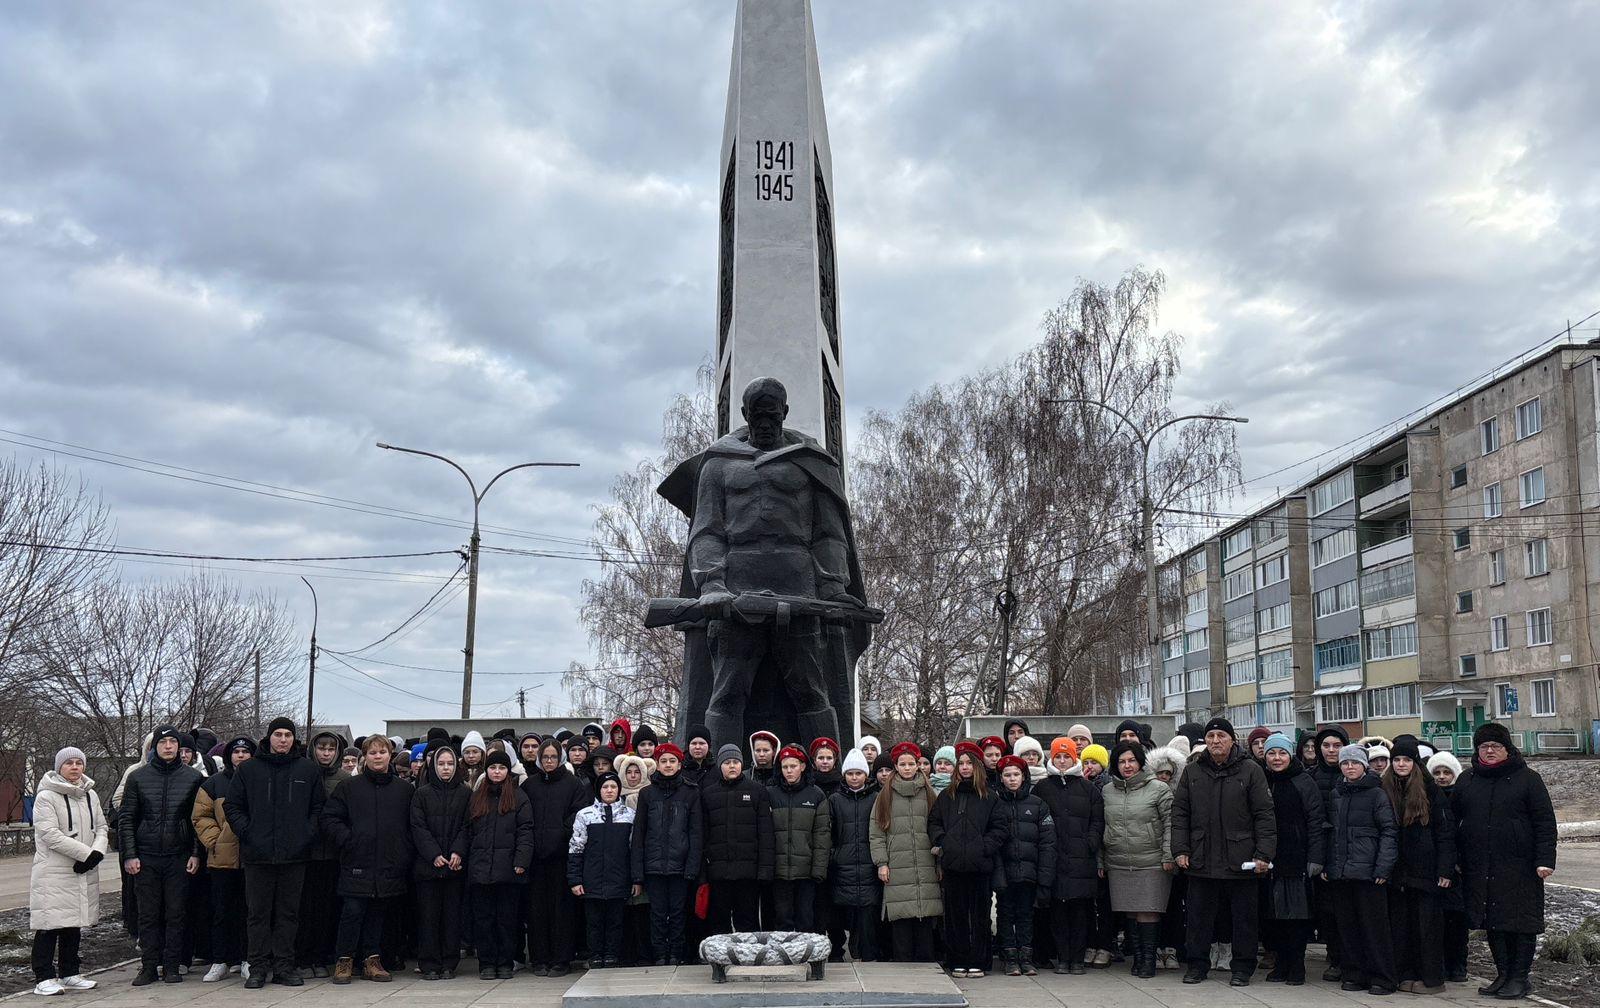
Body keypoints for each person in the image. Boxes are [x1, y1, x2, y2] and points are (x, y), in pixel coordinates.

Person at [1452, 723, 1557, 1000]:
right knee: (1493, 921)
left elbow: (1545, 822)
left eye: (1495, 746)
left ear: (1506, 749)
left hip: (1520, 865)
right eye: (1484, 746)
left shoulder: (1528, 779)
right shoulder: (1468, 780)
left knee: (1520, 922)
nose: (1489, 751)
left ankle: (1519, 978)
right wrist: (1457, 859)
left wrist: (1545, 859)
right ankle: (1503, 974)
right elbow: (1454, 822)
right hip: (1480, 865)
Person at [1172, 718, 1275, 987]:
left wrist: (1263, 854)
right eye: (1211, 736)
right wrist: (1180, 848)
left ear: (1232, 739)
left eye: (1221, 736)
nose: (1215, 741)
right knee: (1197, 918)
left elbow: (1264, 814)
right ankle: (1196, 965)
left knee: (1244, 920)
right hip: (1201, 857)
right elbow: (1180, 813)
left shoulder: (1250, 770)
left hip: (1240, 859)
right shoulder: (1192, 771)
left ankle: (1242, 968)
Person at [226, 717, 323, 989]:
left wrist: (306, 834)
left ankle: (284, 966)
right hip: (258, 855)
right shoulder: (250, 770)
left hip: (295, 855)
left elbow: (317, 809)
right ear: (269, 738)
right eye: (278, 734)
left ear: (294, 739)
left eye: (288, 735)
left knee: (288, 914)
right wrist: (249, 833)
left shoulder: (307, 770)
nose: (283, 739)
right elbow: (233, 807)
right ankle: (258, 967)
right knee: (257, 914)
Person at [321, 736, 414, 984]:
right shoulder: (349, 787)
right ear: (365, 756)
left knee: (377, 912)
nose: (377, 756)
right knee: (352, 911)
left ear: (390, 756)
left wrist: (401, 851)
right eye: (372, 753)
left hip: (388, 862)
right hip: (356, 860)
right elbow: (330, 819)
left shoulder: (404, 790)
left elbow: (411, 826)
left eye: (382, 752)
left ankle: (372, 960)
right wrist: (349, 839)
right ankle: (344, 960)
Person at [119, 725, 203, 986]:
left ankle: (172, 965)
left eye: (172, 742)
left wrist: (196, 853)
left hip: (178, 856)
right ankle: (148, 966)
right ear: (154, 746)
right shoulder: (138, 777)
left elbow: (197, 820)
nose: (168, 746)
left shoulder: (192, 778)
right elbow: (127, 819)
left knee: (176, 913)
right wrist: (130, 855)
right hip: (146, 856)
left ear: (180, 747)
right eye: (163, 742)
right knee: (148, 914)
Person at [31, 747, 108, 996]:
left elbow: (102, 827)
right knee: (49, 923)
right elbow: (50, 835)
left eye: (79, 763)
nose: (75, 767)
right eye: (69, 764)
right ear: (59, 767)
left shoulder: (90, 795)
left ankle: (70, 972)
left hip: (82, 868)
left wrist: (96, 853)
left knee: (73, 922)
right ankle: (43, 976)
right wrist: (86, 854)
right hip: (54, 869)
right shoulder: (46, 797)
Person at [1382, 736, 1457, 995]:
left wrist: (1445, 869)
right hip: (1398, 873)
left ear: (1415, 762)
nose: (1401, 764)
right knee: (1402, 927)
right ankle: (1407, 973)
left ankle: (1432, 979)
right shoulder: (1386, 787)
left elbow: (1445, 833)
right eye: (1397, 760)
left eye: (1406, 760)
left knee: (1427, 928)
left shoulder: (1429, 788)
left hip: (1426, 871)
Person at [1323, 744, 1398, 995]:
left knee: (1374, 929)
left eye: (1355, 763)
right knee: (1348, 927)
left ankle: (1382, 977)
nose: (1350, 767)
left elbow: (1389, 831)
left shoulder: (1377, 794)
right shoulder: (1337, 794)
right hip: (1342, 873)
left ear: (1364, 766)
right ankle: (1354, 973)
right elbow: (1331, 832)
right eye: (1345, 763)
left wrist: (1383, 868)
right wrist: (1328, 865)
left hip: (1369, 873)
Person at [929, 741, 1007, 978]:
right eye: (960, 763)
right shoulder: (946, 795)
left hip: (980, 866)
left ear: (977, 767)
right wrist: (944, 844)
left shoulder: (990, 797)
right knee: (955, 916)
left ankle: (979, 961)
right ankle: (957, 960)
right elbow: (934, 823)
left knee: (979, 915)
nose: (964, 767)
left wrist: (984, 847)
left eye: (968, 763)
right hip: (953, 866)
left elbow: (1000, 828)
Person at [1101, 740, 1172, 980]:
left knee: (1148, 909)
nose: (1127, 765)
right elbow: (1102, 825)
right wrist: (1102, 860)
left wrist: (1168, 854)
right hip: (1119, 859)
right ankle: (1138, 957)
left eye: (1131, 760)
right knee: (1129, 910)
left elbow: (1170, 824)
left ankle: (1149, 960)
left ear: (1141, 762)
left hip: (1151, 860)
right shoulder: (1107, 790)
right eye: (1121, 761)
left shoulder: (1159, 789)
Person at [1258, 732, 1325, 986]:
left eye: (1282, 753)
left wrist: (1315, 857)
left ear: (1290, 754)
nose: (1277, 758)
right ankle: (1281, 964)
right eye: (1272, 754)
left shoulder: (1303, 781)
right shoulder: (1263, 780)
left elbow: (1316, 821)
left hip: (1297, 859)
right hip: (1270, 859)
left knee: (1297, 917)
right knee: (1274, 917)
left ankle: (1297, 967)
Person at [631, 742, 702, 965]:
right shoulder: (646, 794)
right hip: (653, 866)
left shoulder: (691, 793)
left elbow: (696, 832)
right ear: (657, 765)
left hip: (680, 866)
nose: (668, 765)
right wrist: (637, 873)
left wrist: (692, 866)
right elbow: (639, 834)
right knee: (658, 913)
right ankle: (660, 954)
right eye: (664, 761)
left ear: (680, 764)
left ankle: (677, 954)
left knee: (679, 912)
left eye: (672, 761)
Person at [523, 739, 589, 976]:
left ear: (560, 758)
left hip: (562, 856)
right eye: (545, 758)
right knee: (537, 911)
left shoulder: (573, 784)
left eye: (553, 757)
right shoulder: (530, 785)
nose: (549, 762)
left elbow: (578, 815)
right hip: (536, 859)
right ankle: (539, 959)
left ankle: (562, 959)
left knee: (562, 911)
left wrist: (561, 833)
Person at [465, 750, 533, 980]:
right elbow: (468, 832)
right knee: (483, 920)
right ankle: (486, 963)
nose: (497, 772)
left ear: (508, 771)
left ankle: (505, 962)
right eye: (493, 768)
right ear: (487, 770)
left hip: (509, 870)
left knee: (507, 919)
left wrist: (521, 861)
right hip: (480, 869)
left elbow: (525, 831)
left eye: (501, 768)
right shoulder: (476, 797)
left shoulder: (518, 796)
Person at [1036, 736, 1101, 975]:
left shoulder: (1088, 788)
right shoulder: (1043, 787)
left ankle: (1077, 959)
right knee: (1057, 912)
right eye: (1058, 757)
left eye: (1067, 756)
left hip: (1081, 860)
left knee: (1080, 912)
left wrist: (1090, 843)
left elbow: (1097, 820)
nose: (1062, 761)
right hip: (1054, 858)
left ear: (1075, 758)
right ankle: (1063, 957)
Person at [869, 743, 940, 962]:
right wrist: (882, 862)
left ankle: (928, 968)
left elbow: (938, 828)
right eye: (902, 764)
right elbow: (876, 832)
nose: (907, 768)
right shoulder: (885, 795)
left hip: (925, 864)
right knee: (901, 921)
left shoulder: (929, 793)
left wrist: (939, 863)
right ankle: (903, 966)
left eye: (911, 764)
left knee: (925, 918)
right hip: (897, 866)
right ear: (896, 766)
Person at [191, 737, 253, 983]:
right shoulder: (213, 784)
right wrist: (216, 841)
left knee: (249, 911)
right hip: (221, 859)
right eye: (236, 751)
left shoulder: (258, 781)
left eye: (245, 752)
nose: (240, 756)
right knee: (221, 911)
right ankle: (220, 960)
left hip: (252, 858)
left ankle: (246, 959)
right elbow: (201, 816)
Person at [701, 744, 775, 932]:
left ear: (741, 764)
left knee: (747, 920)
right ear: (720, 766)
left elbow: (766, 834)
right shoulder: (708, 794)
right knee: (719, 920)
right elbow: (703, 834)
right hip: (718, 872)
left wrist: (765, 869)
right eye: (727, 762)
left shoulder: (757, 791)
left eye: (735, 762)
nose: (732, 766)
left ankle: (748, 959)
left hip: (748, 872)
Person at [410, 746, 469, 981]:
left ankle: (449, 962)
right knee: (428, 917)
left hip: (455, 867)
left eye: (450, 764)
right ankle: (429, 963)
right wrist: (433, 854)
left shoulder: (466, 793)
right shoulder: (421, 793)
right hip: (428, 868)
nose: (446, 768)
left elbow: (468, 826)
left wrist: (458, 851)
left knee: (452, 917)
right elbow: (417, 827)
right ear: (433, 766)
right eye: (441, 764)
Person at [568, 772, 637, 969]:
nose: (609, 790)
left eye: (613, 787)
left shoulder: (629, 815)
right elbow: (576, 848)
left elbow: (634, 849)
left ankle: (612, 955)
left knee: (616, 921)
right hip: (592, 880)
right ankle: (596, 955)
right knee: (594, 922)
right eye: (605, 787)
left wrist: (635, 880)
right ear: (599, 790)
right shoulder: (585, 815)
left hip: (619, 879)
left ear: (619, 790)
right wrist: (575, 879)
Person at [994, 754, 1054, 978]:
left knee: (1026, 915)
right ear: (1001, 778)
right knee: (1006, 913)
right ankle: (1010, 958)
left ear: (1023, 776)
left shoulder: (1038, 805)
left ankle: (1026, 958)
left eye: (1016, 775)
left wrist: (1043, 875)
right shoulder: (995, 803)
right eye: (1007, 775)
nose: (1012, 779)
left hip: (1029, 872)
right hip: (1005, 872)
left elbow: (1048, 842)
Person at [296, 729, 347, 978]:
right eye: (321, 748)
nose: (326, 753)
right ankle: (304, 957)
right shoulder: (302, 773)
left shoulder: (345, 779)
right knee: (305, 908)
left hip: (335, 854)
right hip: (307, 852)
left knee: (329, 909)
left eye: (331, 749)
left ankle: (322, 956)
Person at [767, 745, 831, 932]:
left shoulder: (816, 795)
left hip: (806, 871)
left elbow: (821, 835)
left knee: (806, 918)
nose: (789, 771)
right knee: (782, 917)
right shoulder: (771, 794)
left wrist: (818, 869)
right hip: (779, 870)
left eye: (793, 766)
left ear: (802, 767)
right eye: (785, 767)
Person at [828, 749, 881, 962]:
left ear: (865, 775)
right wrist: (835, 855)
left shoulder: (876, 798)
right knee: (840, 915)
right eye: (850, 773)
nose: (854, 777)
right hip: (843, 867)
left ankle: (868, 954)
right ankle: (838, 952)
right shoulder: (835, 799)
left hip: (869, 865)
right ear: (844, 775)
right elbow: (829, 831)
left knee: (867, 916)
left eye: (859, 773)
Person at [1310, 723, 1350, 981]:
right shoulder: (1311, 776)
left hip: (1352, 852)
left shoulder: (1354, 773)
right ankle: (1335, 957)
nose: (1331, 750)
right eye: (1326, 745)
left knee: (1350, 910)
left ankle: (1351, 959)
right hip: (1322, 851)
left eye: (1337, 745)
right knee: (1329, 912)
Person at [1428, 751, 1469, 982]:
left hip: (1459, 871)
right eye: (1437, 773)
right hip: (1435, 868)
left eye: (1447, 772)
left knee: (1458, 923)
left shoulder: (1462, 798)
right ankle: (1442, 964)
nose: (1442, 777)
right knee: (1438, 922)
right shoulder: (1428, 797)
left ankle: (1459, 965)